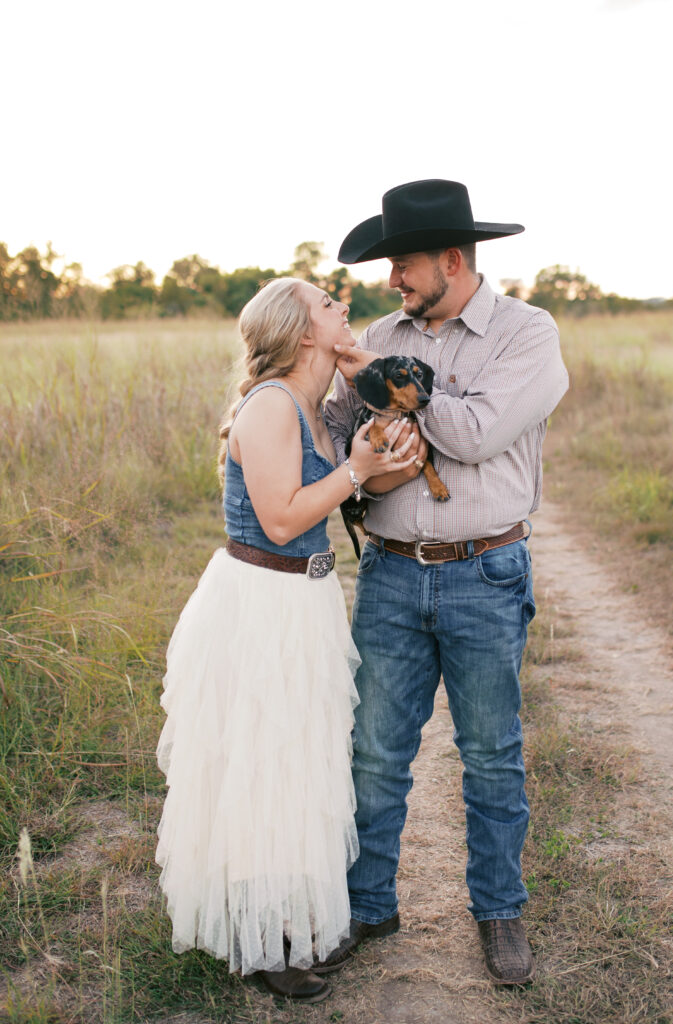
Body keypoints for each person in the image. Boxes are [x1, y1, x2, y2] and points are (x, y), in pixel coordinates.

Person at [320, 179, 569, 986]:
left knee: (492, 756)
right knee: (374, 755)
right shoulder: (379, 332)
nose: (393, 280)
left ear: (452, 260)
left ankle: (499, 912)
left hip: (485, 572)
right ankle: (368, 906)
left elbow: (474, 432)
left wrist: (395, 386)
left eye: (403, 265)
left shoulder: (527, 335)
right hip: (390, 574)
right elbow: (336, 432)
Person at [155, 277, 418, 1003]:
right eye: (329, 305)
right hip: (261, 602)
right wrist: (357, 470)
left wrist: (373, 468)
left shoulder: (311, 405)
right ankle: (262, 940)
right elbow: (280, 518)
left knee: (301, 761)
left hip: (301, 598)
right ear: (304, 333)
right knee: (263, 762)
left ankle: (287, 918)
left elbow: (330, 493)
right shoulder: (271, 405)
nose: (344, 308)